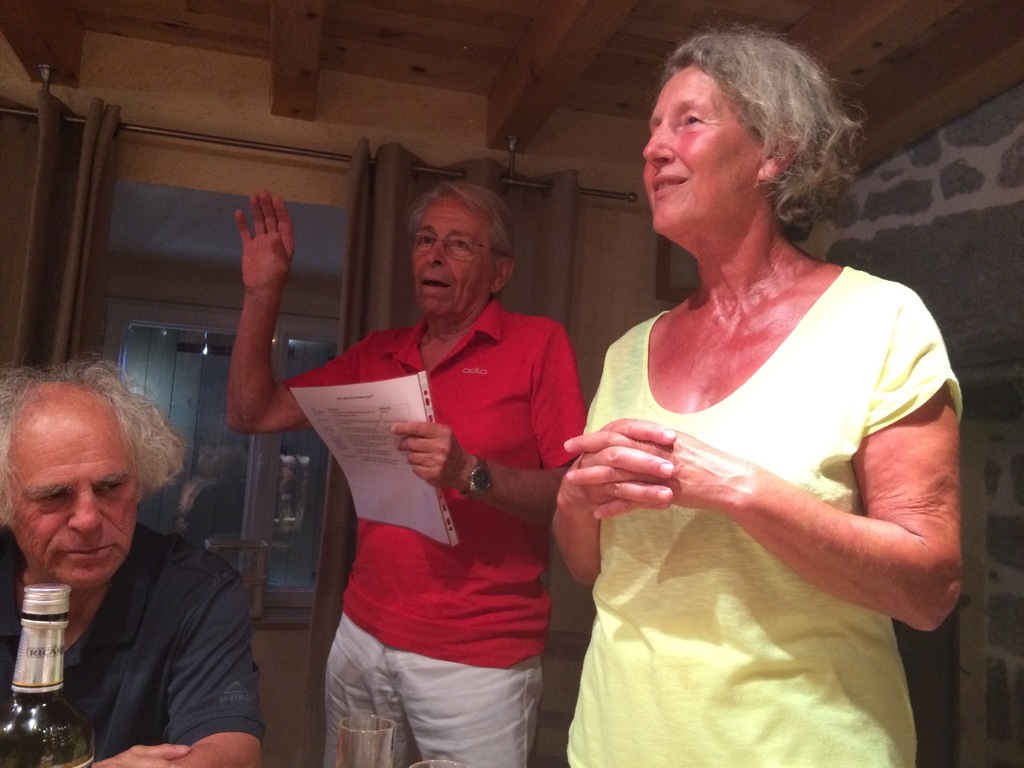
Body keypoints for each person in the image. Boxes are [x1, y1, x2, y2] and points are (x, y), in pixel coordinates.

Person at [554, 27, 961, 768]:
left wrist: (738, 489)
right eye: (652, 128)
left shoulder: (880, 320)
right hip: (611, 746)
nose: (653, 148)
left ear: (775, 151)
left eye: (689, 121)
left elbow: (929, 589)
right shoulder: (627, 353)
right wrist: (575, 502)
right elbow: (590, 568)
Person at [228, 181, 587, 768]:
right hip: (362, 635)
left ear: (500, 273)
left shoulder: (538, 344)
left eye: (459, 244)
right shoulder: (377, 352)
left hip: (478, 656)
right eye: (425, 240)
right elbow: (252, 413)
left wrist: (468, 471)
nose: (434, 255)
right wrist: (263, 290)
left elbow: (574, 495)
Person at [0, 357, 264, 768]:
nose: (88, 519)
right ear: (7, 503)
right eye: (54, 495)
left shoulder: (197, 591)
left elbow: (232, 754)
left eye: (111, 487)